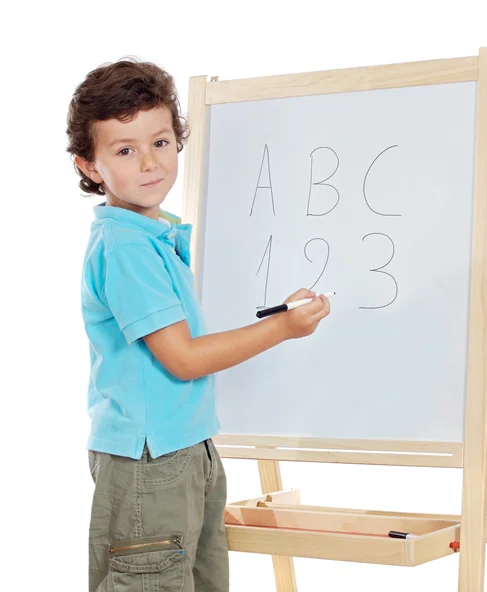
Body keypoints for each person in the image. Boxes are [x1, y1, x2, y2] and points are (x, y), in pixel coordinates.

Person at [66, 57, 331, 592]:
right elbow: (183, 359)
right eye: (125, 150)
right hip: (149, 460)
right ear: (90, 167)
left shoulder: (152, 236)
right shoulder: (126, 248)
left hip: (185, 450)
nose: (149, 163)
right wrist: (283, 329)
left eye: (160, 143)